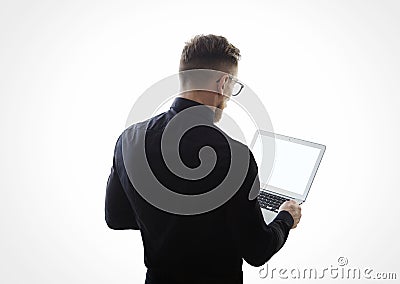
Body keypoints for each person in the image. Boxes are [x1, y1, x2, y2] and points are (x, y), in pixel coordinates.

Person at [105, 34, 302, 284]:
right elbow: (257, 251)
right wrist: (286, 217)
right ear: (223, 84)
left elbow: (116, 217)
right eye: (234, 87)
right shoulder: (237, 158)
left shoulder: (129, 139)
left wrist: (167, 224)